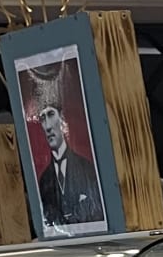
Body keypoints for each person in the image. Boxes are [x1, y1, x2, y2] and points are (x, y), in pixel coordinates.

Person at [28, 73, 105, 229]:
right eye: (42, 118)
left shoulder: (88, 169)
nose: (48, 126)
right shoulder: (44, 181)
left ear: (62, 118)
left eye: (51, 114)